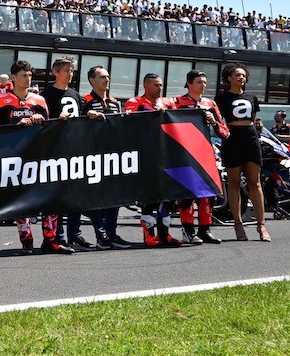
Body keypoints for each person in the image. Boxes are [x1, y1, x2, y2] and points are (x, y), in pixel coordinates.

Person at [0, 60, 72, 254]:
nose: (27, 79)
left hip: (40, 155)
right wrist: (18, 122)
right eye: (23, 76)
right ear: (13, 78)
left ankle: (51, 240)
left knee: (50, 196)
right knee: (21, 198)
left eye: (29, 75)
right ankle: (26, 239)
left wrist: (41, 120)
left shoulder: (39, 100)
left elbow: (48, 127)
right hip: (13, 157)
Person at [41, 57, 97, 251]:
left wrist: (88, 116)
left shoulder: (74, 94)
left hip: (75, 148)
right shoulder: (47, 94)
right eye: (66, 70)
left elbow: (79, 117)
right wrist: (57, 120)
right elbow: (43, 122)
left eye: (71, 71)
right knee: (58, 195)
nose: (70, 74)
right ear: (56, 72)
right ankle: (57, 235)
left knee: (76, 195)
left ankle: (76, 233)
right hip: (56, 149)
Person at [172, 70, 229, 245]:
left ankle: (205, 230)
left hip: (206, 153)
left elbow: (225, 132)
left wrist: (213, 121)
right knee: (187, 195)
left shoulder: (210, 103)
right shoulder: (176, 102)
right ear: (189, 83)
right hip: (184, 154)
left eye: (204, 82)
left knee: (208, 195)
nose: (203, 85)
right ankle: (188, 231)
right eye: (199, 82)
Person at [124, 73, 181, 247]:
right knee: (150, 197)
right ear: (146, 85)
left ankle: (165, 234)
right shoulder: (135, 102)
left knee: (168, 196)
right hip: (146, 155)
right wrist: (153, 115)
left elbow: (179, 122)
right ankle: (149, 234)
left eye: (161, 85)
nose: (160, 88)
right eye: (156, 85)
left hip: (167, 154)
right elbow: (129, 122)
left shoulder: (168, 103)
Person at [80, 66, 133, 249]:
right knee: (95, 196)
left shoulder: (115, 102)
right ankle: (100, 234)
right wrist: (86, 116)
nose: (106, 80)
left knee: (114, 195)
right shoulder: (84, 101)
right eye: (102, 77)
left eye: (108, 77)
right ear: (91, 80)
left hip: (113, 155)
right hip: (91, 155)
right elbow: (74, 125)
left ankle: (111, 233)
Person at [215, 63, 269, 242]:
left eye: (243, 76)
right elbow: (218, 121)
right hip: (232, 139)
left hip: (250, 138)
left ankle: (261, 225)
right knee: (234, 182)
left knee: (255, 182)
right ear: (229, 78)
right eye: (238, 75)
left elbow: (252, 119)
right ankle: (237, 223)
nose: (241, 78)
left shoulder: (252, 97)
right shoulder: (221, 99)